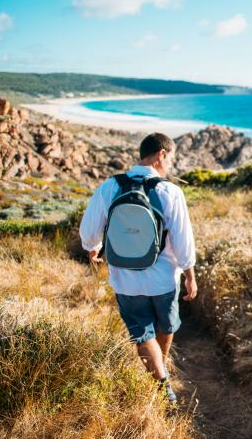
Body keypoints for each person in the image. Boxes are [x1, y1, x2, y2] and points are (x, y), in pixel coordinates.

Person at [79, 132, 197, 403]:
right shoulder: (170, 191)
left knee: (142, 332)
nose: (171, 165)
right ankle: (161, 377)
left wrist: (92, 247)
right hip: (164, 280)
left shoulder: (110, 187)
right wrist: (190, 275)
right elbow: (183, 240)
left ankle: (158, 376)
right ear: (161, 155)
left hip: (125, 280)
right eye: (171, 159)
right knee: (166, 326)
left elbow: (88, 233)